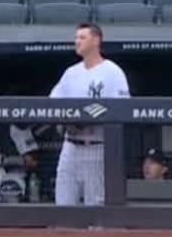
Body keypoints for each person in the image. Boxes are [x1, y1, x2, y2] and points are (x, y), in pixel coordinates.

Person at [49, 23, 130, 206]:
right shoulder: (71, 73)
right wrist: (67, 120)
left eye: (82, 37)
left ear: (96, 40)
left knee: (95, 206)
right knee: (63, 203)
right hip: (70, 145)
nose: (77, 41)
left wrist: (89, 119)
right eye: (76, 38)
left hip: (97, 145)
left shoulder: (113, 72)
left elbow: (123, 109)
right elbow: (52, 104)